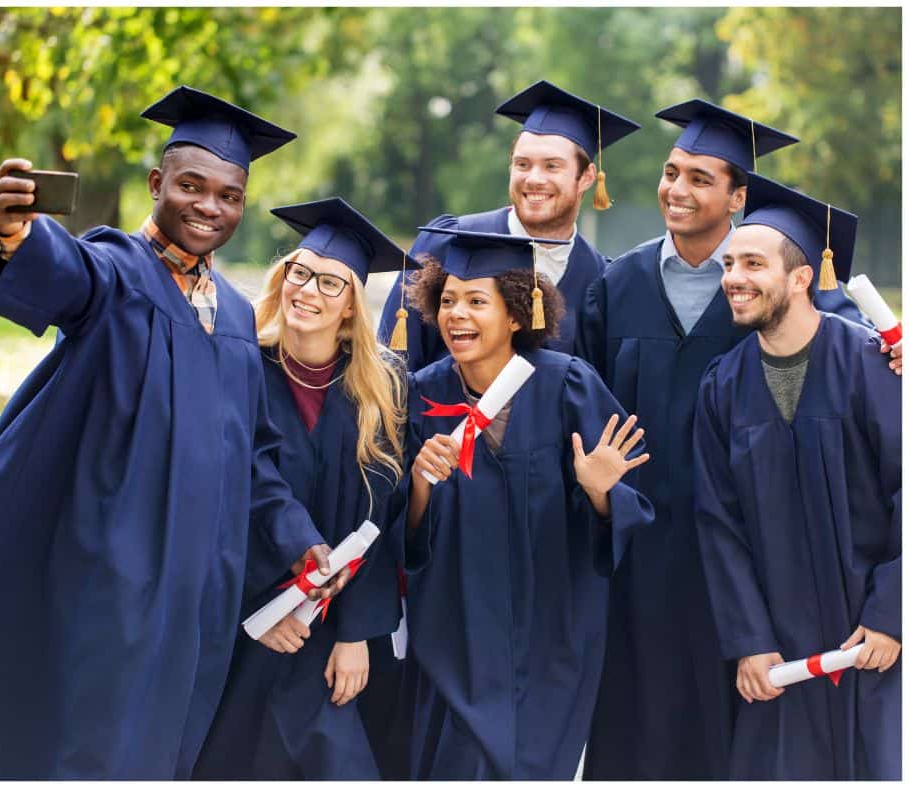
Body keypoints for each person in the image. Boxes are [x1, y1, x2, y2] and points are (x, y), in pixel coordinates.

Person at [0, 86, 345, 780]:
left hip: (195, 595)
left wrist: (299, 538)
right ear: (157, 184)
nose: (210, 206)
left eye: (229, 195)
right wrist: (12, 234)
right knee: (93, 744)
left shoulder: (234, 317)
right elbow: (67, 273)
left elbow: (256, 458)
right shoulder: (117, 271)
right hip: (111, 581)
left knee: (166, 752)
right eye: (191, 187)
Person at [577, 99, 899, 781]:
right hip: (651, 553)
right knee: (648, 722)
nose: (677, 189)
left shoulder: (822, 324)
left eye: (701, 177)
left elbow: (845, 347)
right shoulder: (618, 284)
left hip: (785, 566)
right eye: (671, 172)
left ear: (737, 198)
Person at [396, 227, 654, 779]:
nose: (457, 314)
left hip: (549, 637)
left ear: (516, 313)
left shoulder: (568, 386)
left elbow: (621, 517)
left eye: (476, 301)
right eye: (447, 300)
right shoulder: (420, 394)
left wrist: (598, 488)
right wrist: (420, 482)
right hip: (453, 635)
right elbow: (404, 537)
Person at [192, 198, 411, 779]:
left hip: (336, 632)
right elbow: (216, 502)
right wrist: (260, 605)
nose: (308, 290)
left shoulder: (383, 390)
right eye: (300, 271)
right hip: (247, 620)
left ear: (350, 308)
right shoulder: (239, 368)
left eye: (331, 282)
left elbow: (383, 522)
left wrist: (358, 632)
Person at [693, 173, 901, 779]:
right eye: (730, 263)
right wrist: (748, 640)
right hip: (778, 655)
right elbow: (718, 525)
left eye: (753, 264)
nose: (733, 277)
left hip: (869, 638)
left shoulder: (873, 365)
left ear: (801, 277)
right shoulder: (722, 387)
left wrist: (893, 612)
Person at [379, 79, 640, 368]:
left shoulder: (602, 279)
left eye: (552, 166)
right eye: (523, 164)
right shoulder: (450, 242)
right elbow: (395, 363)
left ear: (588, 178)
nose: (534, 179)